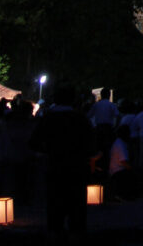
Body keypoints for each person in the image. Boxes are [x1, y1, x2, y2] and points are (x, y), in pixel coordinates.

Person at [30, 83, 96, 237]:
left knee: (55, 209)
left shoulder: (48, 118)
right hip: (77, 169)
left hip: (55, 167)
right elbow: (91, 144)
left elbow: (34, 142)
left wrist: (49, 150)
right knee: (77, 211)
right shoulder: (80, 119)